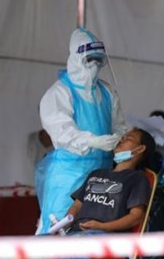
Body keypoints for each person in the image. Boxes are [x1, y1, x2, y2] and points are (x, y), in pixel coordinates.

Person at [58, 128, 155, 259]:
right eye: (121, 138)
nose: (120, 141)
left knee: (76, 247)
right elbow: (76, 206)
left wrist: (101, 226)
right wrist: (62, 223)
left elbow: (135, 216)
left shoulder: (137, 179)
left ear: (140, 149)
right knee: (27, 249)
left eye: (127, 138)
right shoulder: (97, 174)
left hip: (107, 236)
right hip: (76, 233)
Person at [36, 28, 127, 235]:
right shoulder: (59, 93)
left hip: (102, 178)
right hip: (69, 176)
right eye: (89, 59)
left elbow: (120, 126)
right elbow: (62, 131)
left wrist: (119, 142)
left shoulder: (107, 92)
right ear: (76, 58)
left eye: (98, 60)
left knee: (92, 232)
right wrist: (93, 142)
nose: (94, 65)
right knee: (59, 229)